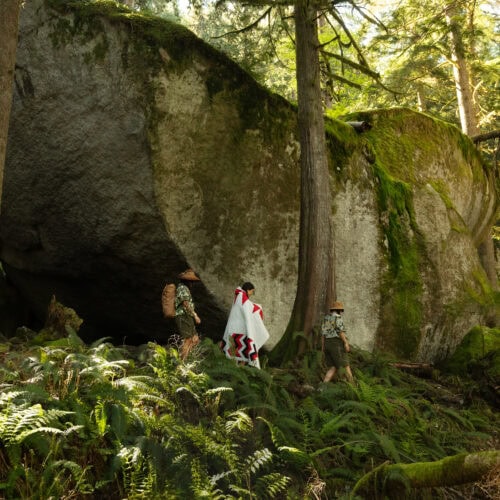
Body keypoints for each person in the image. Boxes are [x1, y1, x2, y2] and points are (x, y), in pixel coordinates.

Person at [221, 282, 270, 368]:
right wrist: (259, 308)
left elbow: (247, 307)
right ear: (248, 290)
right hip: (239, 331)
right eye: (252, 291)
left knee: (234, 353)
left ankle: (234, 371)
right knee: (241, 353)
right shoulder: (242, 297)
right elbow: (250, 308)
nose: (252, 294)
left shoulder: (238, 296)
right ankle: (238, 372)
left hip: (234, 329)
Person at [321, 301, 354, 383]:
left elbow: (323, 333)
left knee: (333, 367)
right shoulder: (338, 319)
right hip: (337, 344)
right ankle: (353, 387)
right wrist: (346, 342)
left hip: (327, 343)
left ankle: (322, 387)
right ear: (339, 310)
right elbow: (340, 332)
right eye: (341, 310)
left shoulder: (327, 318)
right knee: (346, 365)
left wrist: (323, 346)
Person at [175, 268, 201, 360]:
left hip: (187, 316)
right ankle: (181, 362)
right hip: (183, 315)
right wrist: (195, 315)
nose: (192, 284)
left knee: (195, 339)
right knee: (187, 339)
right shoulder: (182, 288)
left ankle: (185, 358)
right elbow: (185, 303)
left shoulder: (184, 288)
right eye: (191, 281)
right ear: (187, 281)